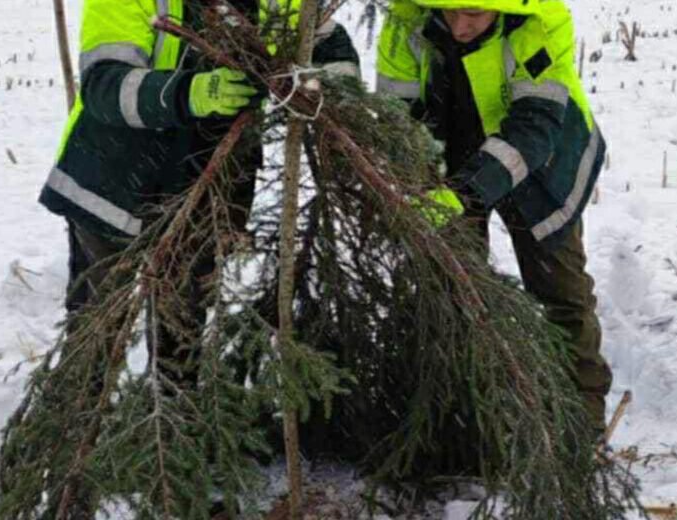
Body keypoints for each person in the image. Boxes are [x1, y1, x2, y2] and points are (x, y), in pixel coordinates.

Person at [38, 0, 360, 377]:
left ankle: (173, 423)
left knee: (183, 326)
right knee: (97, 321)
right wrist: (189, 93)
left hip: (208, 186)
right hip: (113, 184)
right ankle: (77, 414)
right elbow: (104, 85)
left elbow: (326, 43)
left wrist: (332, 91)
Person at [377, 0, 612, 432]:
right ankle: (463, 423)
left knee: (562, 292)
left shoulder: (537, 25)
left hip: (542, 165)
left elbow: (533, 131)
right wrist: (421, 184)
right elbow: (398, 120)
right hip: (449, 158)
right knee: (451, 288)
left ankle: (582, 423)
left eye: (476, 15)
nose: (461, 27)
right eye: (451, 13)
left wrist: (466, 192)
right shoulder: (404, 25)